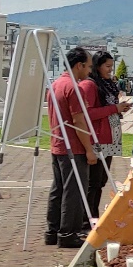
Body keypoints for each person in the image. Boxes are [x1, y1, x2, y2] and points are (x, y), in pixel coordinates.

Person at [45, 48, 97, 249]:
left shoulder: (56, 84)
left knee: (58, 188)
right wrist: (89, 149)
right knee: (74, 190)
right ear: (79, 66)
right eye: (89, 66)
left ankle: (53, 231)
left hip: (58, 144)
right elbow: (79, 122)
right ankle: (68, 233)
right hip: (73, 146)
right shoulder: (74, 88)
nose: (89, 71)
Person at [85, 51, 126, 218]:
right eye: (107, 66)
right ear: (97, 66)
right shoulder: (91, 85)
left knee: (101, 181)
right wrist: (114, 109)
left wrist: (118, 110)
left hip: (110, 138)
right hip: (98, 138)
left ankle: (92, 215)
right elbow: (88, 113)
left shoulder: (109, 84)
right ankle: (88, 216)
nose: (110, 70)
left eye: (111, 66)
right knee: (93, 181)